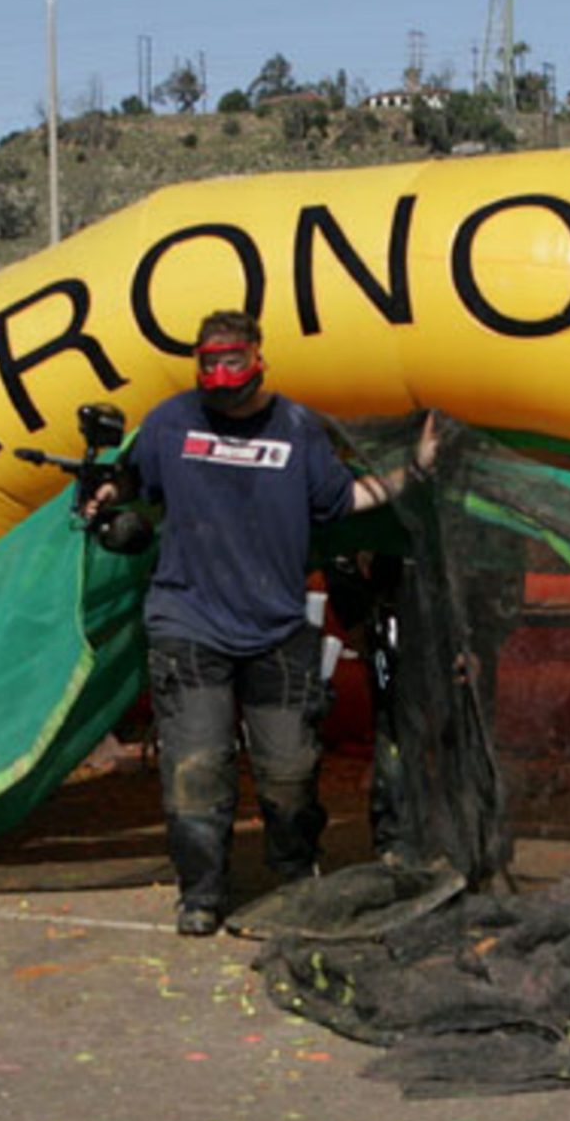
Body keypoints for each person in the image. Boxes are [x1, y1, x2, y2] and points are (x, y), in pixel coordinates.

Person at [94, 308, 437, 936]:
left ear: (258, 358)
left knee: (290, 771)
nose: (221, 375)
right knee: (197, 768)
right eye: (210, 362)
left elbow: (343, 500)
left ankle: (295, 877)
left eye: (233, 360)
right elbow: (126, 483)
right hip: (188, 622)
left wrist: (413, 471)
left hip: (277, 628)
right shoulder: (170, 422)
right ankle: (201, 894)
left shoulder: (298, 427)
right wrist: (103, 495)